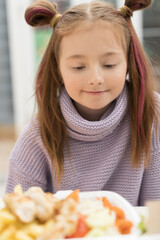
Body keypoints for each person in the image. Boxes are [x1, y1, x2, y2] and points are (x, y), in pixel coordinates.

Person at [5, 0, 160, 206]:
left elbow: (156, 211)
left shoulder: (153, 115)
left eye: (109, 64)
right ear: (58, 69)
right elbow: (17, 219)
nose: (95, 78)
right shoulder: (37, 137)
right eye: (78, 67)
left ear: (128, 62)